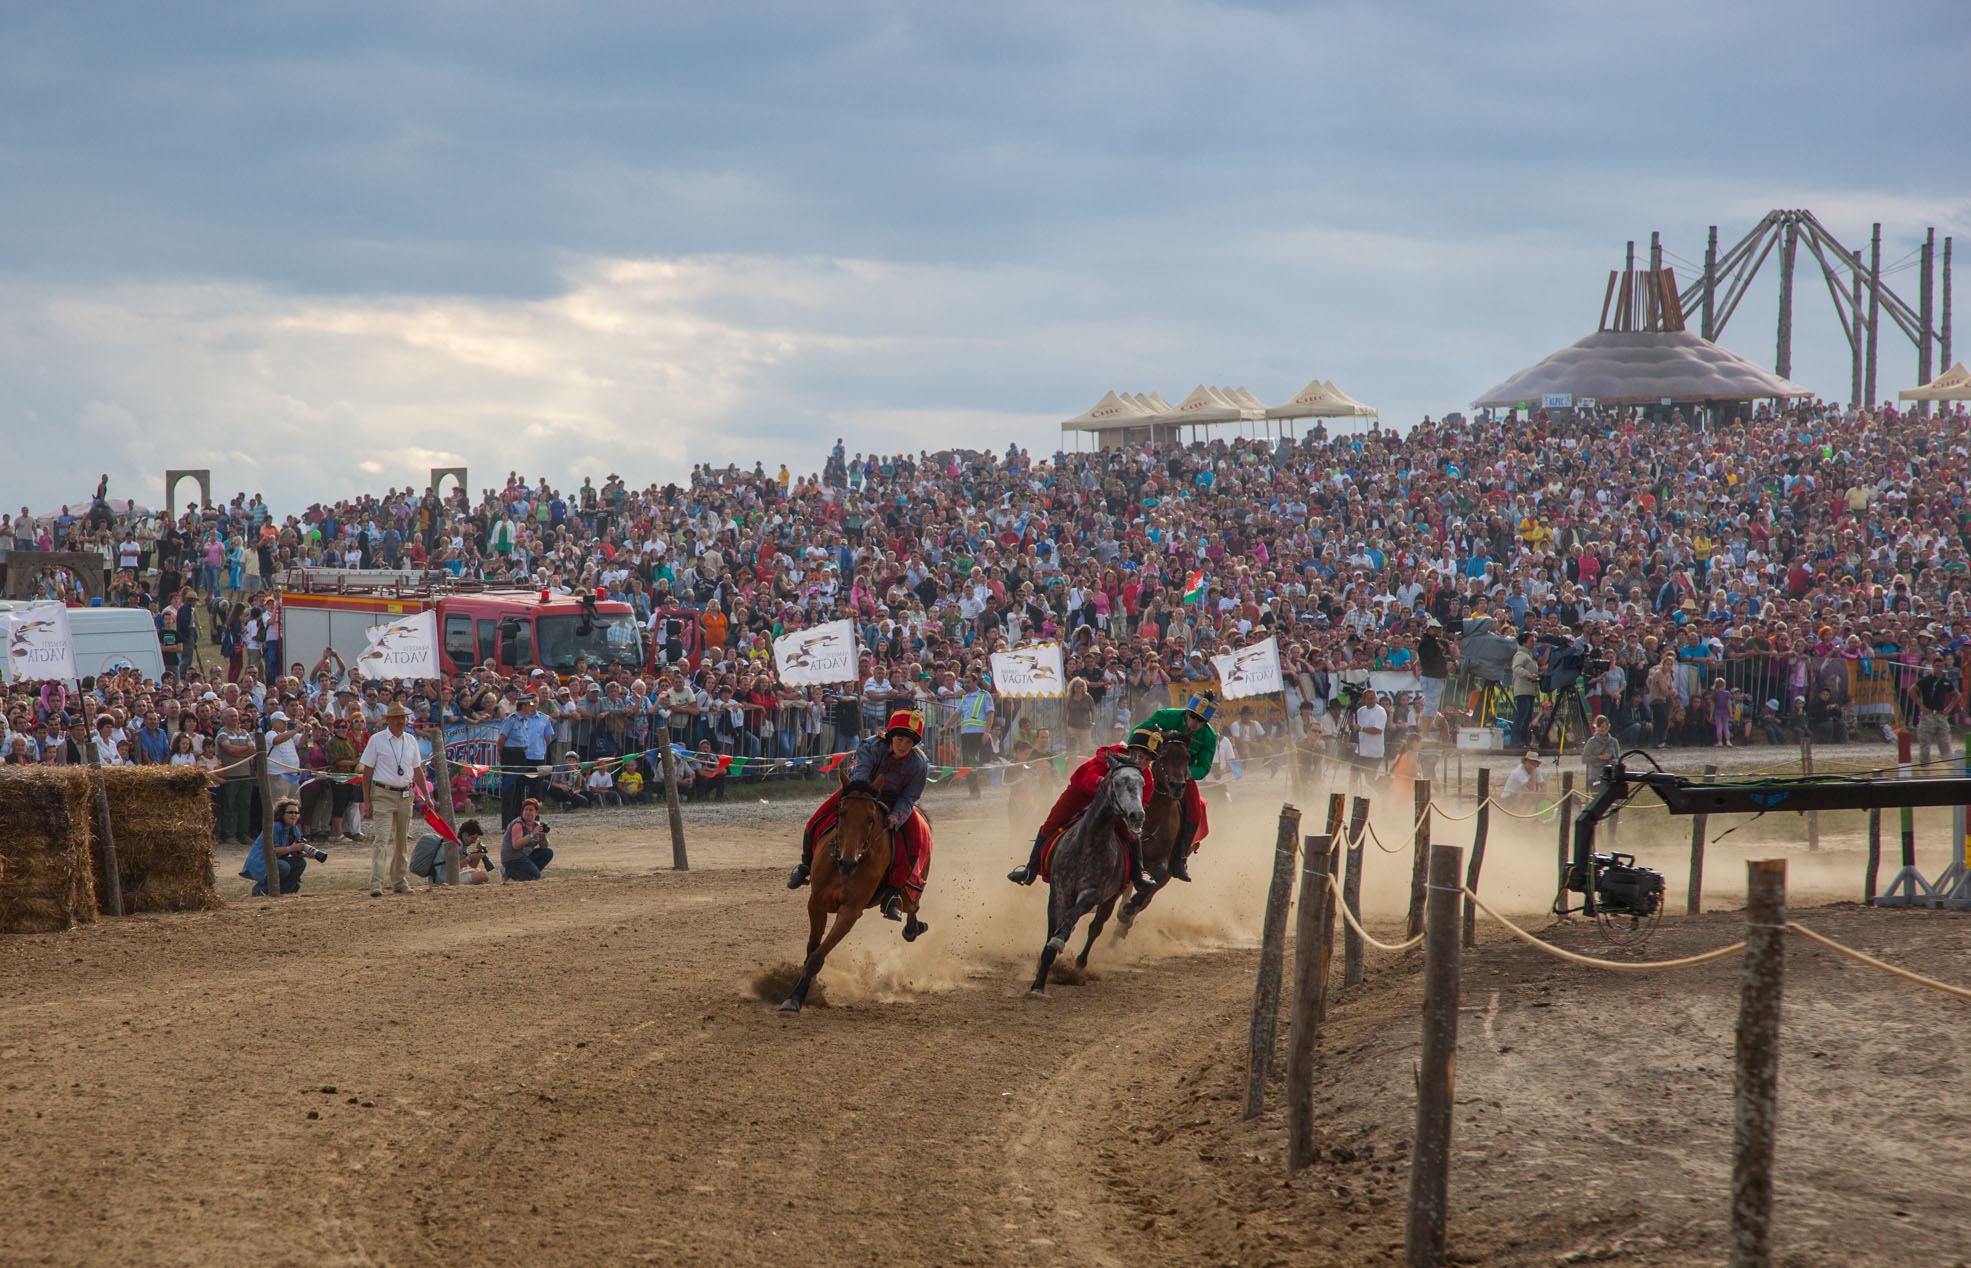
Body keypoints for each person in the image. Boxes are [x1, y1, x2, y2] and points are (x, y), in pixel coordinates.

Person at [788, 708, 933, 922]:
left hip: (894, 801)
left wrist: (897, 816)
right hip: (860, 793)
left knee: (915, 841)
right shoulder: (871, 746)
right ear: (891, 736)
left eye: (909, 742)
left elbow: (910, 797)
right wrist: (863, 797)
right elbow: (862, 774)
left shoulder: (919, 765)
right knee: (815, 820)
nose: (903, 746)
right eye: (900, 739)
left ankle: (893, 892)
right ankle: (805, 865)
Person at [1008, 727, 1164, 889]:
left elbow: (1139, 804)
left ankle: (1138, 876)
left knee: (1133, 834)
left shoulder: (1147, 780)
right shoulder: (1110, 756)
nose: (1142, 763)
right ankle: (1030, 870)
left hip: (1116, 807)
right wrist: (1108, 785)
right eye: (1140, 756)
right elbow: (1088, 779)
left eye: (1147, 760)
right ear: (1130, 751)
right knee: (1051, 823)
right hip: (1081, 793)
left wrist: (1132, 820)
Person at [1127, 690, 1219, 882]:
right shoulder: (1164, 716)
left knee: (1196, 809)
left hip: (1181, 775)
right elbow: (1137, 735)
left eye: (1200, 720)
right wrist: (1139, 758)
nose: (1194, 723)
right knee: (1119, 789)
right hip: (1151, 763)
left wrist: (1187, 773)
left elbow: (1204, 766)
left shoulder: (1209, 736)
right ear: (1187, 712)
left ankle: (1178, 858)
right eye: (1192, 716)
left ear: (1206, 722)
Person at [360, 702, 430, 897]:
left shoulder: (411, 741)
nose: (401, 721)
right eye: (397, 717)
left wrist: (427, 796)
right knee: (381, 839)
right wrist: (366, 799)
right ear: (388, 719)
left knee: (402, 841)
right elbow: (367, 771)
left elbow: (417, 771)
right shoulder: (376, 740)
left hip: (406, 794)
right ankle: (376, 883)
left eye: (403, 717)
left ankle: (399, 881)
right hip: (383, 793)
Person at [498, 693, 555, 825]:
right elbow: (501, 740)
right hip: (510, 755)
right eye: (529, 704)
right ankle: (507, 822)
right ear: (523, 706)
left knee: (522, 789)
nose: (531, 707)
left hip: (522, 755)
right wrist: (502, 757)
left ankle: (519, 819)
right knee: (510, 791)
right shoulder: (511, 719)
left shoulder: (524, 720)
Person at [241, 798, 315, 896]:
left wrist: (306, 855)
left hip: (276, 860)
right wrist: (293, 848)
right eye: (290, 812)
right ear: (282, 813)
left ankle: (284, 891)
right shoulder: (275, 827)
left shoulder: (294, 829)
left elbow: (293, 852)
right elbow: (272, 850)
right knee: (284, 867)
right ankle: (260, 890)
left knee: (300, 864)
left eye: (296, 813)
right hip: (261, 862)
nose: (294, 815)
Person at [410, 817, 485, 885]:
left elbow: (473, 865)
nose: (474, 841)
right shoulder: (456, 844)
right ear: (465, 834)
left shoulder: (461, 844)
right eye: (473, 838)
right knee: (482, 875)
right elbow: (453, 867)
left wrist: (477, 855)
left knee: (477, 871)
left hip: (445, 876)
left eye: (476, 839)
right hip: (443, 879)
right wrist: (469, 858)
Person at [501, 797, 554, 880]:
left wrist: (543, 838)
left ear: (536, 812)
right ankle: (508, 871)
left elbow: (544, 847)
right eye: (526, 810)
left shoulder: (537, 826)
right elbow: (516, 845)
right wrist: (532, 834)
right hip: (513, 858)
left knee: (548, 852)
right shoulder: (518, 824)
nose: (528, 812)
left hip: (525, 855)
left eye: (531, 810)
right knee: (536, 877)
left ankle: (528, 871)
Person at [1500, 749, 1549, 814]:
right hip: (1508, 798)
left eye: (1534, 762)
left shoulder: (1536, 770)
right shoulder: (1519, 771)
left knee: (1535, 795)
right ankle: (1521, 814)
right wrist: (1532, 772)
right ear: (1525, 761)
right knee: (1527, 794)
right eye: (1530, 761)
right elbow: (1530, 788)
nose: (1532, 764)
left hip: (1521, 796)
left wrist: (1542, 796)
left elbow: (1543, 785)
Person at [1581, 714, 1622, 788]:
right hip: (1594, 778)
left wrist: (1610, 760)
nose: (1601, 729)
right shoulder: (1591, 741)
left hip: (1609, 777)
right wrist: (1599, 757)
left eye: (1603, 727)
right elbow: (1584, 759)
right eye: (1599, 727)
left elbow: (1618, 759)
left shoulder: (1614, 741)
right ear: (1595, 727)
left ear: (1608, 727)